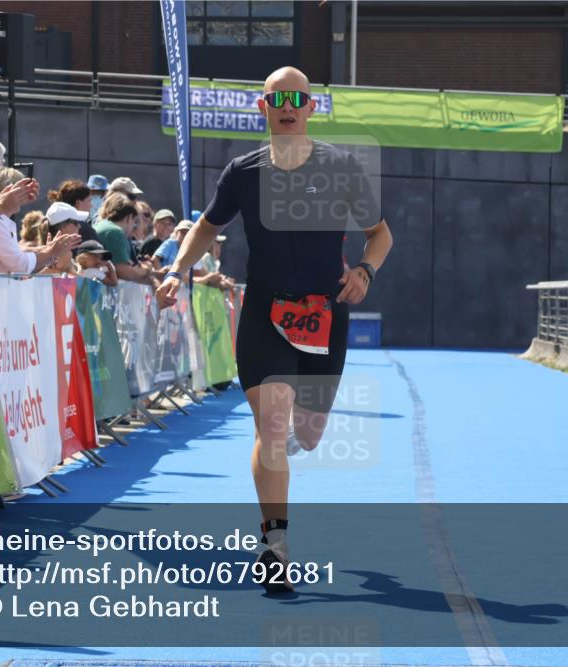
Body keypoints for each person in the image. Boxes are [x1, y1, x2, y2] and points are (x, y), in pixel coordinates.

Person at [155, 66, 393, 594]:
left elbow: (379, 234)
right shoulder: (244, 171)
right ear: (263, 108)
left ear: (311, 108)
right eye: (276, 98)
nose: (287, 105)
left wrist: (365, 270)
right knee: (273, 427)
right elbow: (207, 227)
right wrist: (177, 271)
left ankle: (285, 468)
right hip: (265, 311)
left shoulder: (342, 168)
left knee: (307, 434)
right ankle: (275, 545)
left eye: (297, 98)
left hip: (326, 313)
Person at [0, 167, 79, 274]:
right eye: (22, 190)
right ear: (6, 191)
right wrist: (50, 252)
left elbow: (18, 254)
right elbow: (19, 264)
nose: (27, 195)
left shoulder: (0, 221)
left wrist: (48, 250)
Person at [94, 193, 158, 286]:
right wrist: (147, 269)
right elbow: (126, 273)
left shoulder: (104, 227)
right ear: (128, 218)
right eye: (134, 221)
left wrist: (155, 276)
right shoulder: (115, 232)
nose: (134, 226)